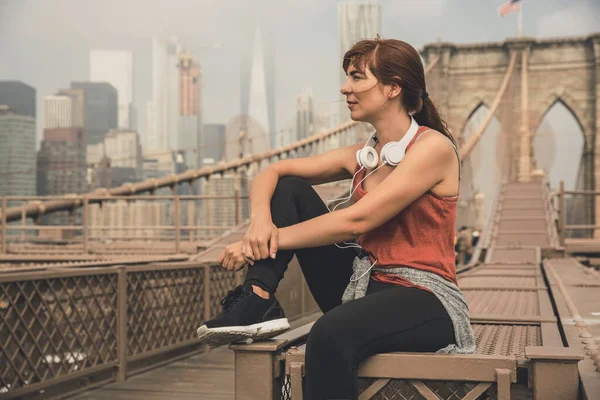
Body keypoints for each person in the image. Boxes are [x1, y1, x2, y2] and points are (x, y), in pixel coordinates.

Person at [196, 36, 476, 400]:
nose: (345, 88)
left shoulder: (432, 148)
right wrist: (259, 223)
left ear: (393, 88)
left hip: (424, 297)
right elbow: (270, 173)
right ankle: (256, 297)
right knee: (289, 185)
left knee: (328, 333)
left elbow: (355, 221)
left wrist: (259, 245)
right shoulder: (363, 155)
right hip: (363, 284)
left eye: (358, 77)